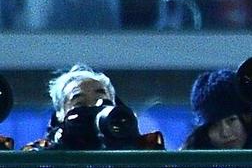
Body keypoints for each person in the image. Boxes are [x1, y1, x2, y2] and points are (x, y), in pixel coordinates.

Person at [22, 64, 163, 150]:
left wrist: (128, 141)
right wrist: (61, 146)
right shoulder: (41, 152)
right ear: (60, 113)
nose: (91, 108)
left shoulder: (145, 148)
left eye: (101, 101)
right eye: (80, 104)